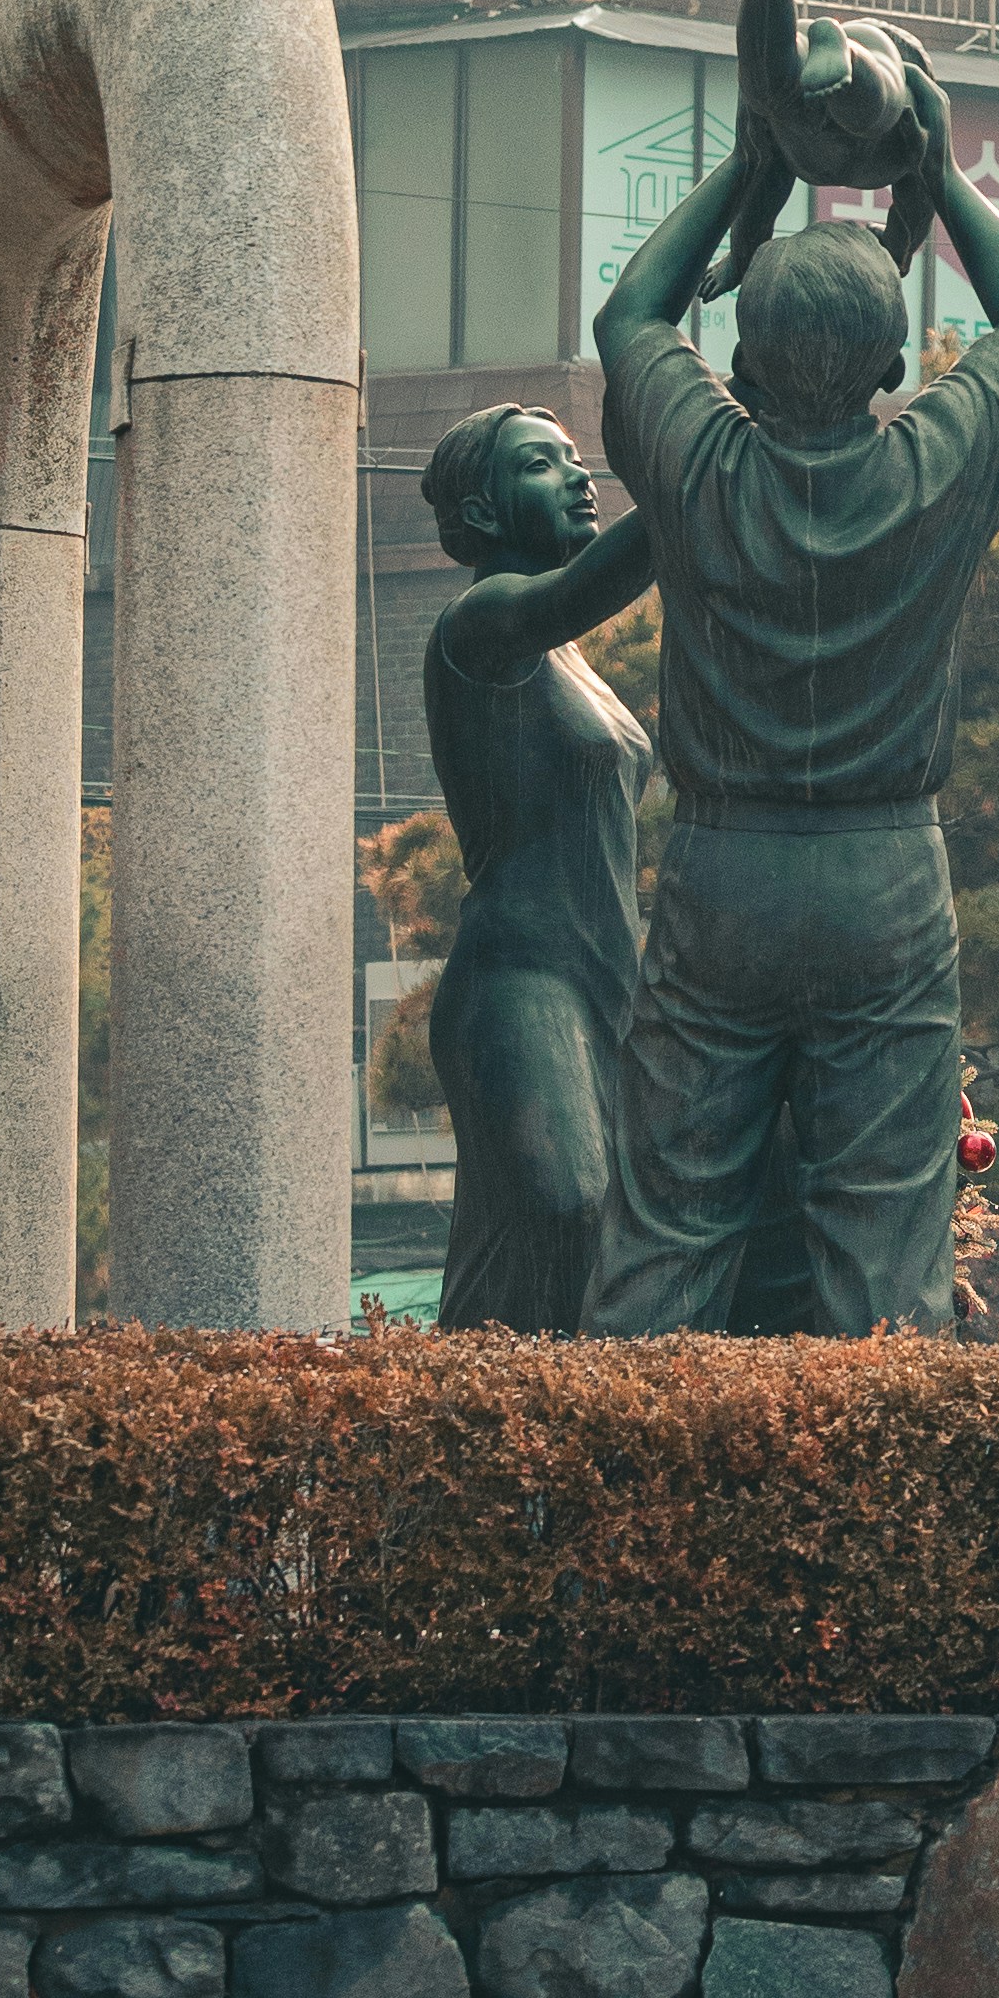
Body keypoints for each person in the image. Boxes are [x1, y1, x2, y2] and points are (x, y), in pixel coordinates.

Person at [585, 69, 999, 1338]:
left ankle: (598, 1509)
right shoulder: (933, 460)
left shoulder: (700, 457)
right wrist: (941, 179)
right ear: (899, 362)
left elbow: (633, 314)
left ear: (739, 360)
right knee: (885, 1232)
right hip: (884, 878)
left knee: (669, 1225)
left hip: (719, 870)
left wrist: (749, 173)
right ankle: (887, 1519)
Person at [411, 408, 658, 1334]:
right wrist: (695, 465)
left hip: (607, 984)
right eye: (539, 466)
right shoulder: (481, 625)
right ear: (479, 512)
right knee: (565, 1207)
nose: (577, 477)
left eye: (576, 460)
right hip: (519, 984)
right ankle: (488, 1433)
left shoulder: (571, 658)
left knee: (604, 1244)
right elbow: (594, 583)